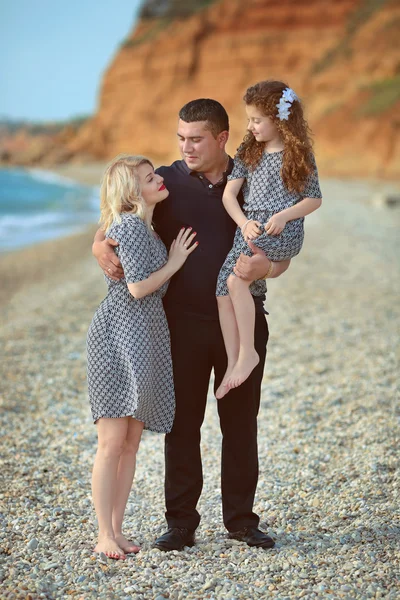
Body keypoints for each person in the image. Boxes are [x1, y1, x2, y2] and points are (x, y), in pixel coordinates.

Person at [93, 100, 290, 552]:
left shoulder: (255, 178)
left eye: (196, 139)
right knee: (183, 426)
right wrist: (96, 245)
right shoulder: (165, 180)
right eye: (180, 137)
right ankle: (181, 523)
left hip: (240, 322)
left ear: (222, 138)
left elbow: (284, 251)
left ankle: (241, 521)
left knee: (241, 423)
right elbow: (116, 218)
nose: (186, 147)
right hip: (176, 326)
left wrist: (267, 269)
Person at [87, 154, 197, 560]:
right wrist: (176, 261)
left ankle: (116, 530)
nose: (158, 181)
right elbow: (136, 288)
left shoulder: (146, 230)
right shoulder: (130, 227)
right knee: (112, 443)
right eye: (149, 178)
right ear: (132, 192)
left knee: (131, 443)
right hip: (117, 336)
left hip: (144, 336)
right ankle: (103, 533)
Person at [215, 81, 322, 399]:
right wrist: (243, 221)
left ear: (279, 120)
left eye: (256, 120)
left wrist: (285, 215)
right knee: (222, 289)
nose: (250, 126)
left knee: (235, 282)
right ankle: (234, 362)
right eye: (249, 119)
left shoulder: (298, 154)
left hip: (281, 232)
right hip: (249, 229)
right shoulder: (249, 151)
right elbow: (229, 196)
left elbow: (313, 199)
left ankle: (248, 353)